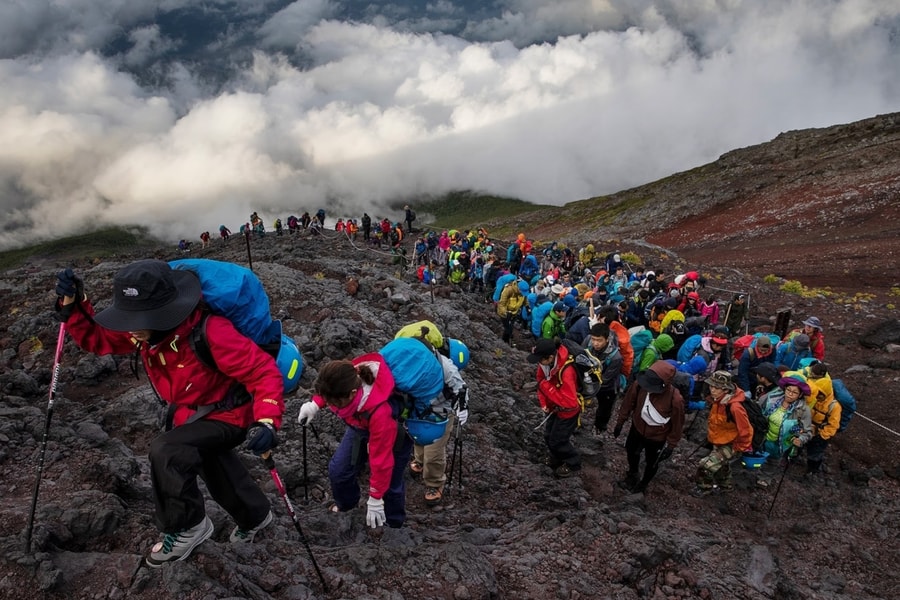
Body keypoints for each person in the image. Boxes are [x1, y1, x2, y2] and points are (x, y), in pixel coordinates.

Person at [55, 260, 284, 567]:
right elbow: (98, 338)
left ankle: (187, 526)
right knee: (209, 458)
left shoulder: (212, 331)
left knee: (168, 450)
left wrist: (267, 421)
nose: (131, 326)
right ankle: (255, 516)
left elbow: (261, 371)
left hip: (231, 413)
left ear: (163, 312)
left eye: (139, 318)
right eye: (129, 317)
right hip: (193, 413)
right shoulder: (145, 330)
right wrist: (74, 306)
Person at [297, 352, 413, 528]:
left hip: (392, 433)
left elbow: (381, 461)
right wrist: (315, 404)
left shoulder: (380, 412)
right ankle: (347, 507)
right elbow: (330, 387)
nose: (331, 405)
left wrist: (375, 498)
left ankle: (393, 523)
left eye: (334, 402)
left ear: (352, 394)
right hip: (360, 426)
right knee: (338, 471)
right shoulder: (346, 377)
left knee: (390, 483)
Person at [613, 361, 685, 494]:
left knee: (652, 462)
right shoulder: (639, 385)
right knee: (631, 451)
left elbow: (677, 423)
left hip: (657, 437)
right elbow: (628, 403)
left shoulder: (675, 399)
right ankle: (633, 473)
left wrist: (671, 445)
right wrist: (620, 422)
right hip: (637, 427)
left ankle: (643, 484)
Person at [527, 338, 581, 478]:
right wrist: (544, 403)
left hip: (568, 413)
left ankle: (573, 463)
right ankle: (556, 458)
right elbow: (540, 380)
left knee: (558, 440)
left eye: (540, 360)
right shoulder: (545, 365)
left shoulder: (567, 372)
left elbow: (570, 403)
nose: (538, 363)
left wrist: (546, 387)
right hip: (554, 408)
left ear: (550, 357)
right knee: (548, 436)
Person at [692, 371, 752, 496]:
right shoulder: (717, 400)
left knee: (706, 465)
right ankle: (725, 486)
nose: (712, 390)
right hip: (719, 439)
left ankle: (704, 487)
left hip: (732, 443)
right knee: (721, 465)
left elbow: (745, 430)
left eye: (717, 387)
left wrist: (739, 448)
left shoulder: (735, 407)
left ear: (725, 389)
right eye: (711, 386)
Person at [758, 376, 813, 460]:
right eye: (788, 390)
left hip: (782, 447)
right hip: (763, 441)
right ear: (784, 389)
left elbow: (807, 432)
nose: (790, 394)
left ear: (800, 395)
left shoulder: (803, 410)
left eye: (794, 392)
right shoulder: (771, 400)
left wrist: (800, 440)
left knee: (773, 464)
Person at [585, 322, 622, 438]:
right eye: (593, 339)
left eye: (599, 340)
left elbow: (605, 380)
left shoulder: (615, 357)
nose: (595, 343)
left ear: (607, 339)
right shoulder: (588, 341)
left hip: (607, 387)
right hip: (591, 379)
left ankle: (600, 427)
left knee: (605, 409)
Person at [805, 365, 841, 478]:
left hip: (820, 434)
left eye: (821, 394)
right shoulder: (814, 397)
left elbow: (833, 425)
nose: (818, 396)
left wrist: (821, 436)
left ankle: (812, 470)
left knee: (815, 453)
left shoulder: (834, 407)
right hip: (808, 427)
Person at [497, 277, 525, 346]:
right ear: (518, 288)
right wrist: (506, 312)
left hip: (514, 313)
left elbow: (524, 299)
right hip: (505, 314)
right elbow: (501, 304)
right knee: (507, 328)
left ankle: (508, 339)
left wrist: (527, 306)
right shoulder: (508, 290)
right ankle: (504, 342)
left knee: (511, 327)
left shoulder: (522, 292)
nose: (522, 294)